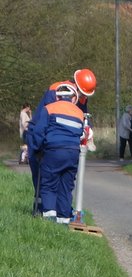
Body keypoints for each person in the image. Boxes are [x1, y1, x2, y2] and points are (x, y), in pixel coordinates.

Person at [29, 69, 96, 214]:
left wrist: (88, 130)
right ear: (76, 86)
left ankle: (58, 212)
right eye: (82, 94)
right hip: (41, 132)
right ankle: (42, 209)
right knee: (42, 175)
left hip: (60, 140)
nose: (83, 98)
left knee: (62, 179)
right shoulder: (56, 91)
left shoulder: (81, 97)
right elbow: (47, 118)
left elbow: (82, 116)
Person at [26, 86, 86, 223]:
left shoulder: (49, 108)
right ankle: (63, 221)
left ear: (57, 97)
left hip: (54, 151)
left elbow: (39, 132)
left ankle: (49, 221)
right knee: (66, 187)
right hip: (73, 153)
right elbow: (80, 133)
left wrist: (36, 150)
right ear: (73, 98)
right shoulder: (79, 113)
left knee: (49, 185)